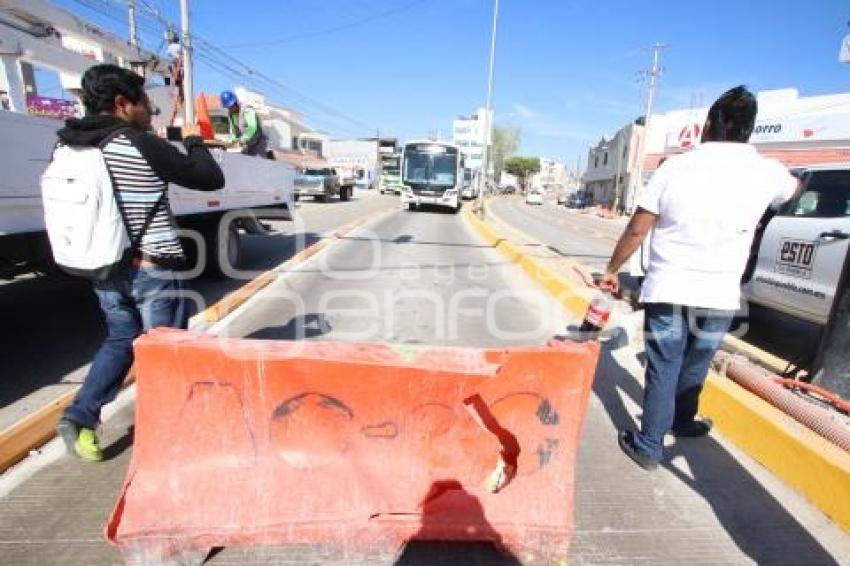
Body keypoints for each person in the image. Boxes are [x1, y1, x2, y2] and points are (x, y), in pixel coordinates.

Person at [599, 86, 800, 470]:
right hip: (720, 293)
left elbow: (638, 228)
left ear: (709, 125)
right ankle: (682, 420)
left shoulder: (676, 167)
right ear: (749, 130)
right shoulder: (767, 171)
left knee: (665, 365)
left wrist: (612, 271)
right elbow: (793, 189)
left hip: (670, 287)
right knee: (697, 361)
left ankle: (649, 446)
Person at [54, 64, 225, 461]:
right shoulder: (136, 143)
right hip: (152, 268)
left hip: (104, 267)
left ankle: (81, 417)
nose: (150, 112)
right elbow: (209, 178)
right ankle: (168, 436)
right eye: (145, 103)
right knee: (165, 351)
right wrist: (195, 140)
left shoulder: (69, 145)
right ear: (121, 103)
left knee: (120, 340)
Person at [220, 90, 268, 157]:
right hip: (247, 143)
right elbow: (234, 132)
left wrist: (242, 139)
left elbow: (252, 127)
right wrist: (230, 141)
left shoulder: (247, 110)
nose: (230, 109)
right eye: (228, 107)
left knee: (259, 163)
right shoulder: (231, 115)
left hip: (258, 142)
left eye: (231, 106)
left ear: (236, 102)